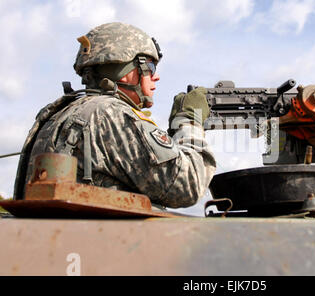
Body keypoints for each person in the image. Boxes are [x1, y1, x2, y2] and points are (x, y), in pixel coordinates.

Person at [13, 22, 216, 209]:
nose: (156, 76)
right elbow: (188, 184)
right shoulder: (110, 115)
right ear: (124, 70)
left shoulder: (60, 112)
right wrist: (189, 120)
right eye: (151, 66)